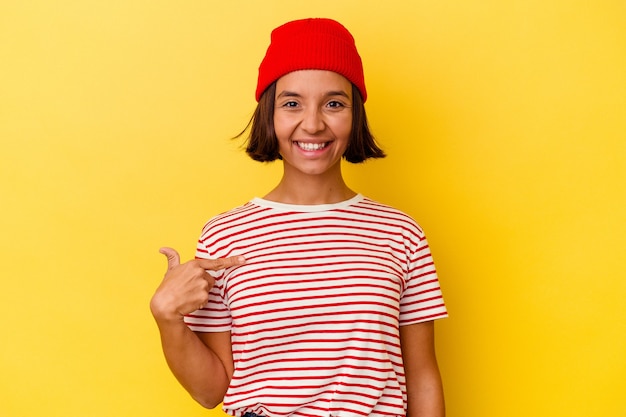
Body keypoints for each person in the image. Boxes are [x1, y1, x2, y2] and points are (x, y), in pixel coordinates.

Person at [150, 17, 448, 417]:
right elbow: (210, 392)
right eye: (292, 103)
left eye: (334, 103)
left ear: (355, 114)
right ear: (269, 116)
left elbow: (423, 377)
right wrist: (167, 317)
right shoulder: (225, 235)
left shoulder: (400, 233)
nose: (312, 123)